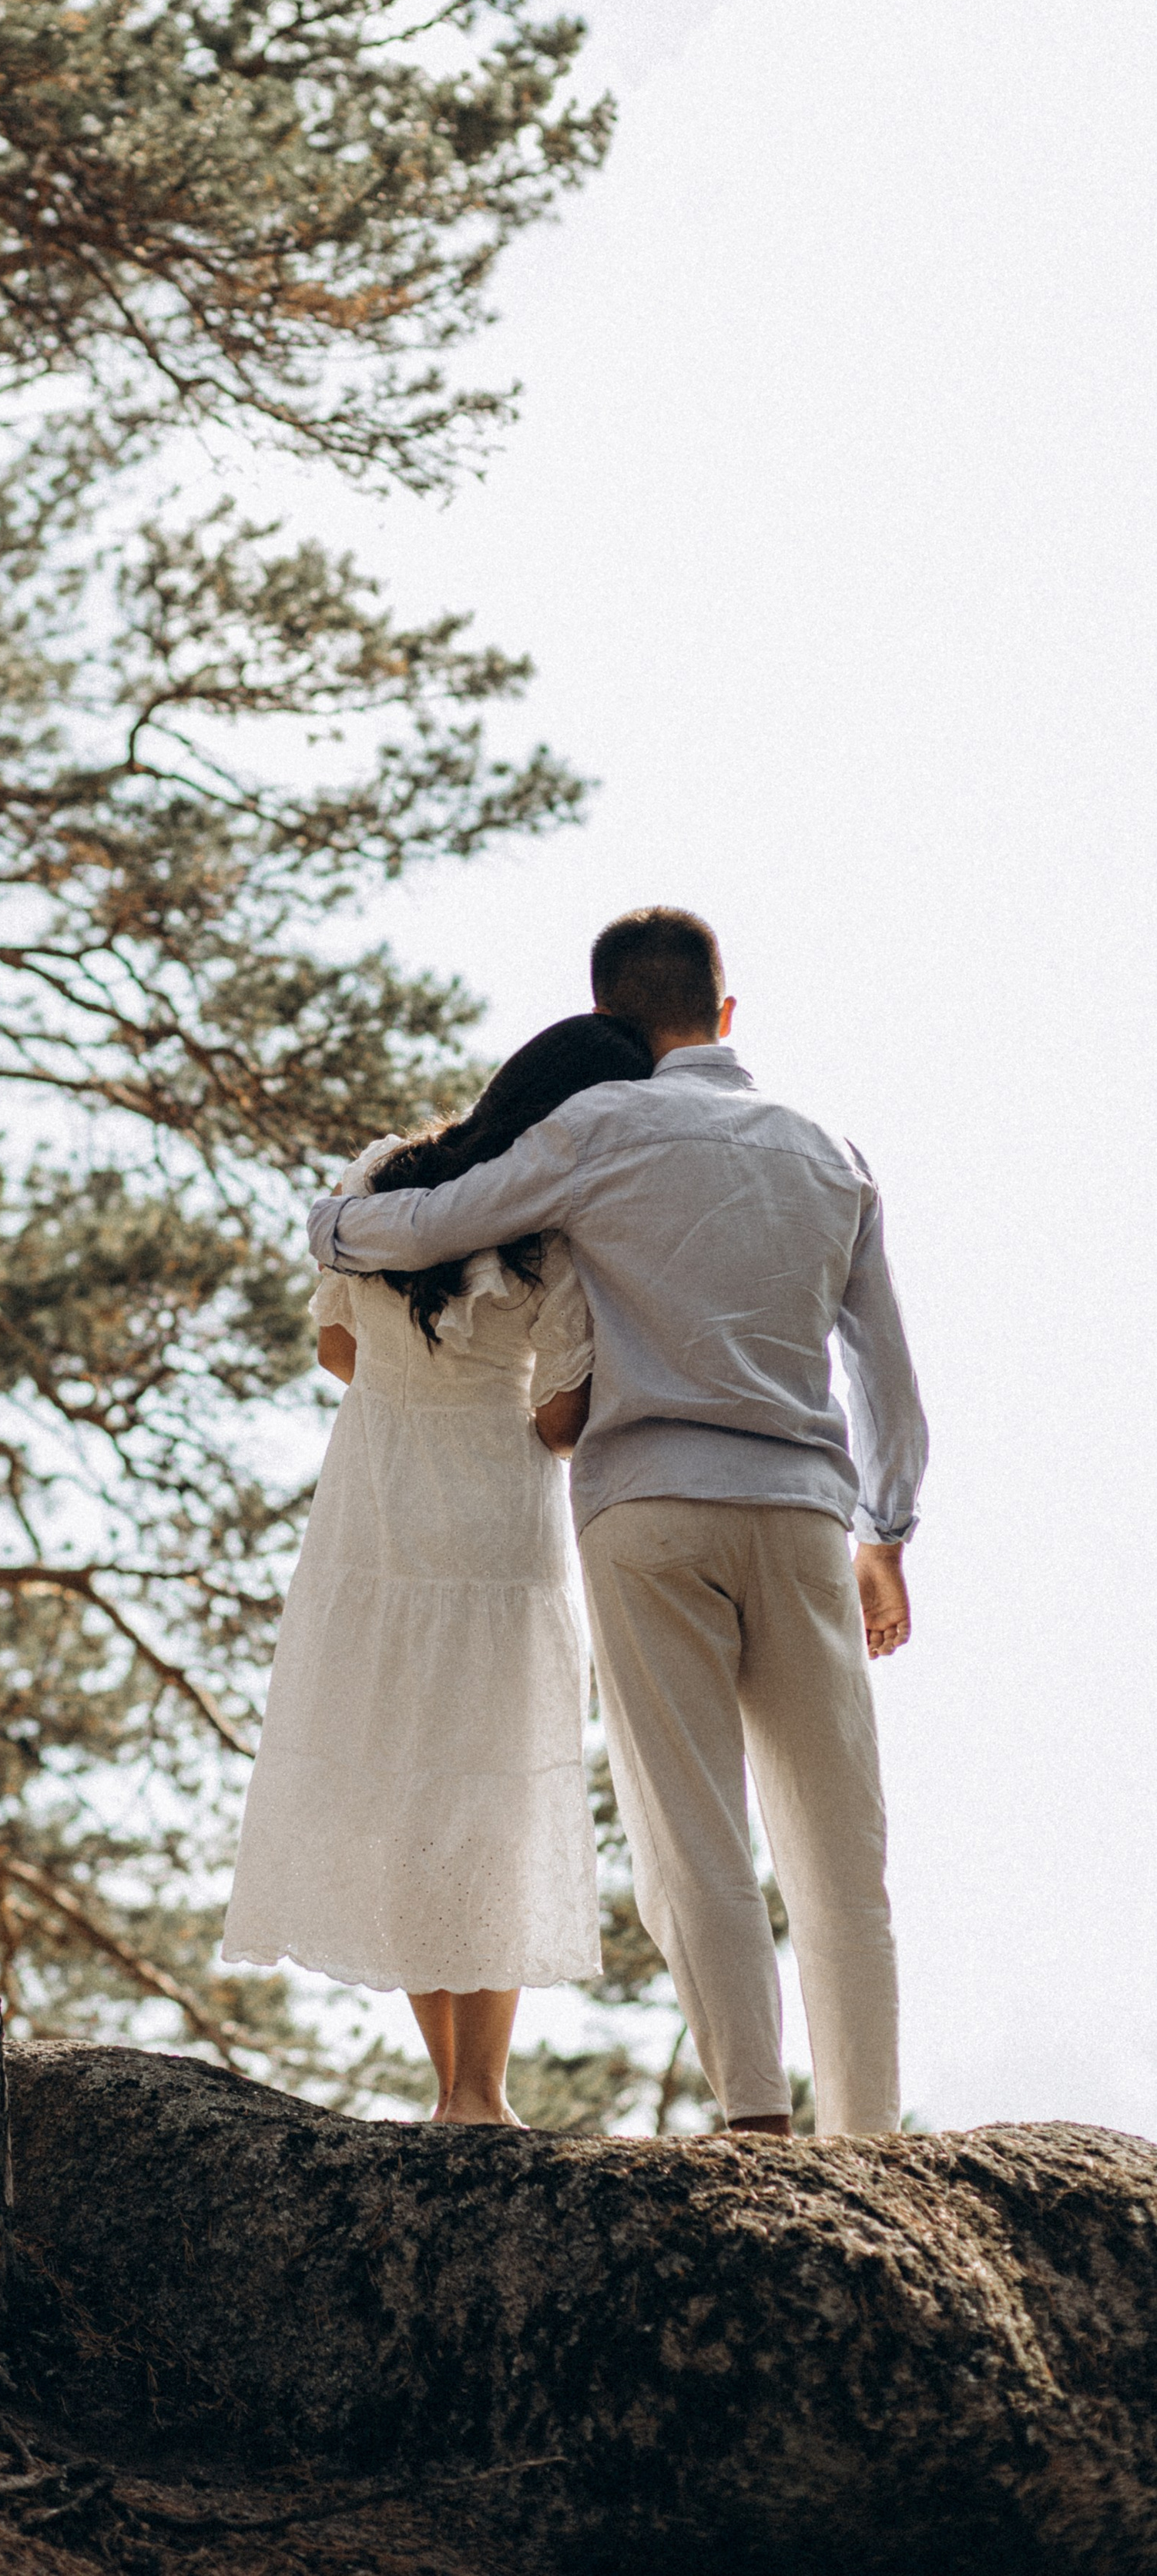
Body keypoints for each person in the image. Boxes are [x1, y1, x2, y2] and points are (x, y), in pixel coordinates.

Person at [307, 909, 927, 2139]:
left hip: (646, 1507)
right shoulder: (831, 1153)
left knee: (694, 1834)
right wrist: (888, 1535)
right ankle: (870, 2139)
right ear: (724, 1012)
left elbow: (433, 1225)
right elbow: (887, 1376)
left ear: (607, 1016)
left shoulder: (594, 1129)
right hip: (802, 1511)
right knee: (840, 1851)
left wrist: (331, 1226)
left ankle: (755, 2121)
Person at [221, 1014, 653, 2124]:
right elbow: (560, 1417)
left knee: (404, 1784)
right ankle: (482, 2091)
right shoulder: (553, 1225)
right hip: (499, 1522)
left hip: (375, 1507)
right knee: (490, 1796)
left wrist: (407, 1392)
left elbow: (334, 1344)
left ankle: (446, 2085)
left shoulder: (381, 1177)